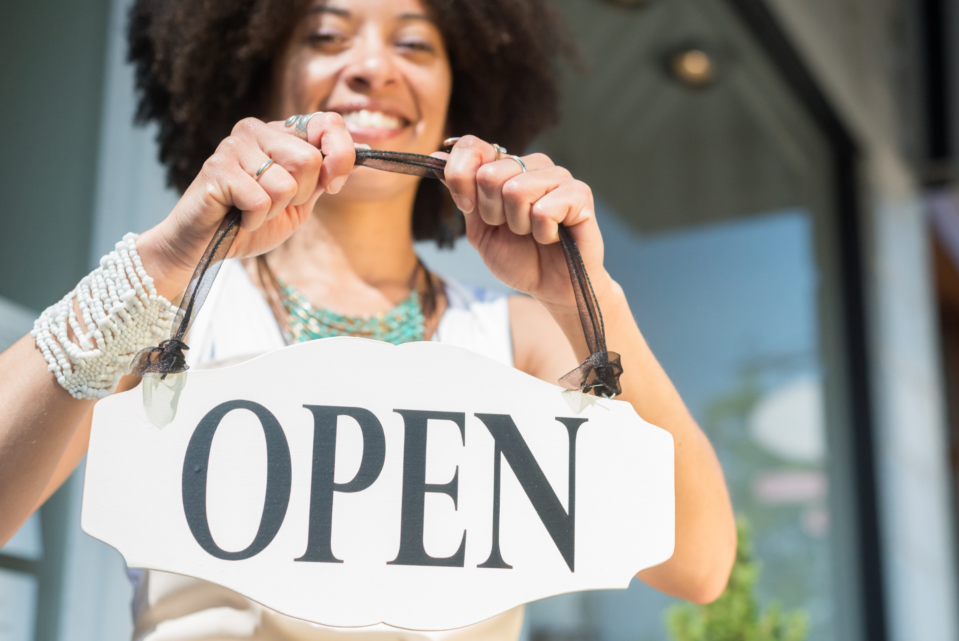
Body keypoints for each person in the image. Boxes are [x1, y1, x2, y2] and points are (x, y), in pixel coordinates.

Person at [0, 0, 737, 637]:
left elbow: (699, 563)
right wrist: (163, 261)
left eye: (414, 43)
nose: (373, 67)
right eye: (327, 36)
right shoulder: (170, 314)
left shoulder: (523, 337)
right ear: (261, 74)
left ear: (462, 92)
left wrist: (586, 298)